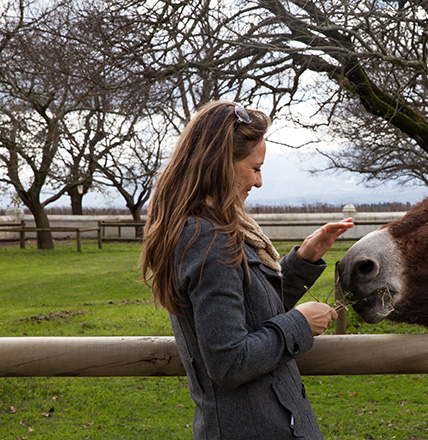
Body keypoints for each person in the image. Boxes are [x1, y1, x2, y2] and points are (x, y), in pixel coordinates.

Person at [141, 101, 354, 439]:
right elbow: (229, 361)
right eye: (255, 168)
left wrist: (303, 261)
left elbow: (253, 312)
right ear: (221, 165)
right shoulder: (209, 240)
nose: (258, 182)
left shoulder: (213, 229)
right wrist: (300, 323)